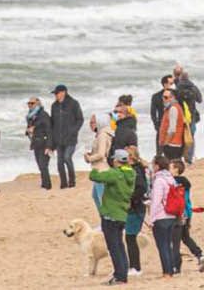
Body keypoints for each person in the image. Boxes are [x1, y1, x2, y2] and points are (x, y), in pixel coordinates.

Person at [88, 147, 137, 284]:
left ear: (116, 161)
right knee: (119, 245)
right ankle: (122, 274)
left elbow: (94, 177)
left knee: (114, 246)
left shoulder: (115, 174)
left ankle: (120, 276)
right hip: (121, 214)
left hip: (111, 214)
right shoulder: (131, 173)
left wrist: (96, 166)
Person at [167, 159, 204, 269]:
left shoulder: (172, 182)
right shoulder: (185, 183)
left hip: (178, 213)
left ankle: (176, 265)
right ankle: (200, 254)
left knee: (175, 240)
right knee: (185, 237)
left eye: (170, 167)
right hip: (187, 213)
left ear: (176, 169)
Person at [147, 153, 181, 276]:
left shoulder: (159, 180)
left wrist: (151, 219)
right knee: (168, 244)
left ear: (157, 166)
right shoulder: (171, 178)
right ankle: (171, 269)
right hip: (171, 215)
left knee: (162, 245)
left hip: (161, 216)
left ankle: (167, 271)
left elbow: (156, 201)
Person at [49, 85, 83, 189]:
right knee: (59, 162)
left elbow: (80, 119)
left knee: (67, 158)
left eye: (57, 93)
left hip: (70, 138)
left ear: (63, 92)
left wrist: (73, 131)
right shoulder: (54, 106)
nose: (55, 95)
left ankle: (72, 182)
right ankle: (63, 183)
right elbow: (52, 123)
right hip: (58, 139)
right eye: (55, 93)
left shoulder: (73, 103)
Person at [156, 84, 194, 161]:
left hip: (172, 144)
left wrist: (166, 143)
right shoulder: (172, 107)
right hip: (174, 144)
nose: (163, 99)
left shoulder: (173, 108)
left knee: (172, 166)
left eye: (166, 97)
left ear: (172, 97)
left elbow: (172, 129)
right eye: (163, 97)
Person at [25, 97, 54, 189]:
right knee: (40, 165)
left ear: (38, 104)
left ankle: (47, 186)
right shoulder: (30, 116)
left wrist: (49, 146)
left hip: (44, 143)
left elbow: (49, 131)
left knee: (43, 165)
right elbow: (30, 129)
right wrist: (28, 131)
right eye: (28, 103)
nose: (30, 105)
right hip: (36, 143)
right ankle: (44, 184)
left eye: (32, 103)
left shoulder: (43, 115)